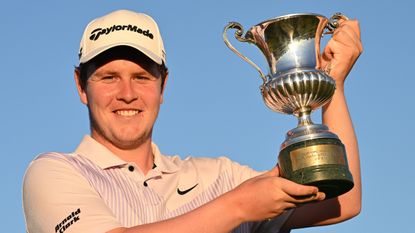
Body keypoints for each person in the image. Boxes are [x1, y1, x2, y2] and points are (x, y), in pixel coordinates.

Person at [23, 9, 362, 233]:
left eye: (141, 77)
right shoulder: (54, 172)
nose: (127, 93)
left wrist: (334, 84)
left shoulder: (219, 177)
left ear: (163, 85)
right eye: (109, 77)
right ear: (81, 86)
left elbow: (343, 200)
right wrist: (239, 206)